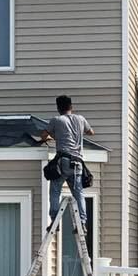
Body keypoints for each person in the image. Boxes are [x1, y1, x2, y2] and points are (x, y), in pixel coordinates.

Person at [38, 95, 93, 226]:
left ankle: (55, 220)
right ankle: (83, 222)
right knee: (78, 193)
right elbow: (91, 132)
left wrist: (52, 136)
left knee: (55, 191)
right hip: (77, 163)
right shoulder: (80, 119)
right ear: (71, 107)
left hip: (63, 162)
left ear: (58, 108)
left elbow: (43, 135)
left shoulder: (56, 120)